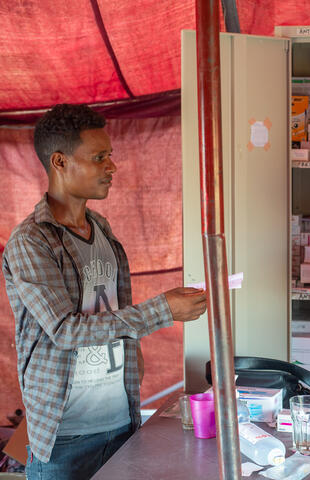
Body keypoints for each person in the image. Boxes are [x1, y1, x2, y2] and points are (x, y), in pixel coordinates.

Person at [2, 104, 208, 479]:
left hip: (120, 425)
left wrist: (135, 354)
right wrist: (163, 310)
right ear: (60, 162)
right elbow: (65, 330)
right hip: (65, 440)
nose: (111, 167)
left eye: (109, 156)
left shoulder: (101, 227)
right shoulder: (31, 241)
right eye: (99, 158)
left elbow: (114, 307)